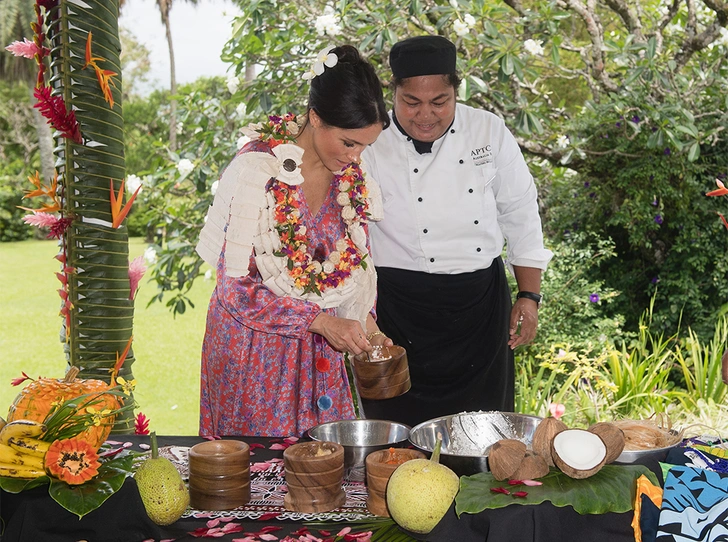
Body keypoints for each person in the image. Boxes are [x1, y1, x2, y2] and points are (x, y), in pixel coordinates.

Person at [195, 45, 393, 437]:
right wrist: (316, 321)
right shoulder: (256, 171)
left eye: (365, 146)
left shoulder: (351, 178)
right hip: (256, 353)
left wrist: (366, 325)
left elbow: (352, 266)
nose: (356, 157)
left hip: (323, 353)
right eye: (350, 143)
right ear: (316, 117)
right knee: (256, 483)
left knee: (325, 474)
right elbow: (234, 289)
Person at [360, 36, 553, 428]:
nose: (425, 115)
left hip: (478, 306)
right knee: (397, 432)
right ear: (392, 92)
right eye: (412, 102)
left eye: (439, 101)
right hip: (398, 307)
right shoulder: (368, 141)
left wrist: (529, 295)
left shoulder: (488, 130)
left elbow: (519, 211)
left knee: (484, 430)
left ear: (456, 92)